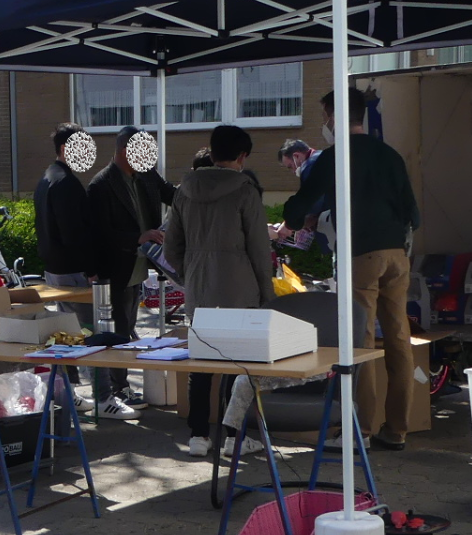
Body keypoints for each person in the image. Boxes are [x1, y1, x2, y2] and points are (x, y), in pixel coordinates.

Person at [283, 87, 422, 451]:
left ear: (334, 117)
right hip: (397, 254)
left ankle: (361, 430)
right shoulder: (390, 155)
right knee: (398, 339)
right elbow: (414, 213)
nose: (325, 124)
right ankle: (397, 430)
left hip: (361, 254)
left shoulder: (336, 156)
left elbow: (301, 204)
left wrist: (292, 220)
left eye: (325, 116)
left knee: (360, 343)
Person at [163, 124, 275, 457]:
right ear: (242, 156)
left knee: (201, 363)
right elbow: (259, 249)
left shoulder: (183, 190)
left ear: (211, 153)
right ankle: (233, 436)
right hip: (240, 289)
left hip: (199, 289)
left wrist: (191, 273)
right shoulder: (245, 191)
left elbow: (171, 248)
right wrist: (266, 294)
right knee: (239, 367)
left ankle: (198, 435)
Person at [87, 126, 174, 421]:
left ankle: (120, 386)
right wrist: (137, 237)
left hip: (140, 269)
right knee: (118, 331)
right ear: (124, 151)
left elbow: (172, 195)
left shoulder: (147, 174)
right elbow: (100, 232)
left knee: (129, 326)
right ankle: (118, 388)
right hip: (116, 268)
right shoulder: (100, 185)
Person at [34, 123, 95, 292]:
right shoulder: (67, 183)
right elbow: (73, 233)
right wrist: (92, 270)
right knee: (83, 311)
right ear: (64, 148)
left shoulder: (45, 179)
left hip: (53, 269)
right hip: (72, 271)